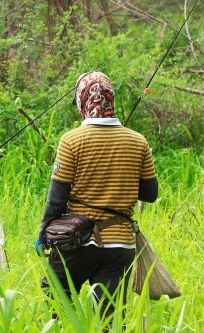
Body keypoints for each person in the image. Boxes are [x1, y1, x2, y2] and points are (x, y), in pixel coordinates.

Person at [38, 71, 159, 318]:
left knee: (55, 291)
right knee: (109, 319)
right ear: (111, 99)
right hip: (121, 243)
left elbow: (57, 198)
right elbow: (150, 193)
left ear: (83, 101)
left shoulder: (71, 141)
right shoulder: (138, 141)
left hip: (78, 241)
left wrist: (43, 234)